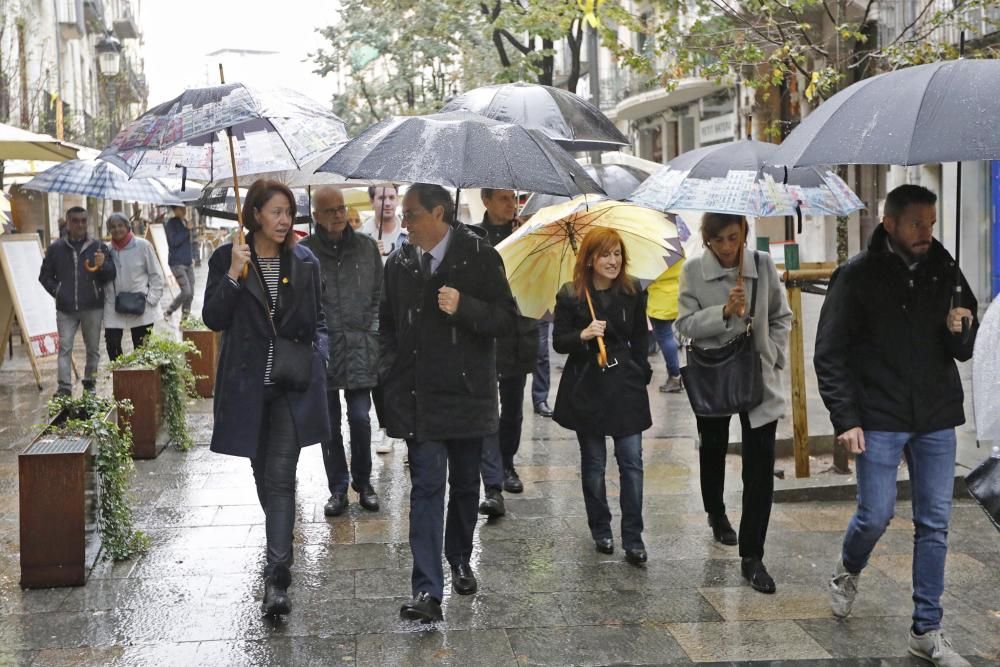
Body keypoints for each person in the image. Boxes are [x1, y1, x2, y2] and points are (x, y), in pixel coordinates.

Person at [816, 185, 977, 667]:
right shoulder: (856, 276)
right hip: (879, 414)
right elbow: (830, 353)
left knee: (935, 525)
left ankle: (926, 631)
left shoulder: (945, 268)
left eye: (931, 223)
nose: (927, 232)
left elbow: (963, 347)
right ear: (890, 224)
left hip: (934, 413)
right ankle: (849, 567)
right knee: (876, 514)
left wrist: (961, 327)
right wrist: (846, 418)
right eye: (916, 224)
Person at [379, 183, 516, 623]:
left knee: (463, 486)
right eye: (404, 216)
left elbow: (507, 320)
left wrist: (465, 306)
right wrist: (388, 379)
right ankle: (426, 589)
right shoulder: (399, 263)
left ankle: (458, 555)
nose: (406, 224)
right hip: (419, 396)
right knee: (425, 487)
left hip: (467, 393)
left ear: (439, 214)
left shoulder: (479, 257)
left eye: (412, 215)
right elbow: (387, 326)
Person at [202, 179, 330, 617]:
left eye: (288, 212)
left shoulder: (306, 261)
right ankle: (280, 539)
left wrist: (317, 358)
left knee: (279, 477)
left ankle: (278, 579)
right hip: (248, 387)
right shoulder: (228, 256)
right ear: (255, 213)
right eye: (275, 212)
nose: (284, 220)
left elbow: (321, 320)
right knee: (264, 476)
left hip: (291, 386)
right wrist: (235, 276)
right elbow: (213, 318)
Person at [675, 212, 791, 594]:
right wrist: (723, 312)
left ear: (744, 232)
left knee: (759, 467)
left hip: (759, 375)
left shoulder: (762, 264)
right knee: (714, 446)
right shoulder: (693, 271)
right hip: (716, 373)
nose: (727, 247)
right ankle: (716, 511)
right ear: (707, 241)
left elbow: (781, 316)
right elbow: (685, 325)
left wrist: (771, 353)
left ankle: (752, 555)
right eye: (718, 240)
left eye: (733, 237)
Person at [552, 227, 653, 566]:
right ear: (591, 259)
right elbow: (558, 341)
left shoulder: (633, 290)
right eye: (605, 254)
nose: (613, 261)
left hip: (625, 386)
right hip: (588, 387)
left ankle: (634, 537)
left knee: (632, 462)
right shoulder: (571, 295)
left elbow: (641, 338)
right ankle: (601, 528)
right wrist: (583, 334)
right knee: (594, 464)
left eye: (617, 253)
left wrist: (641, 373)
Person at [301, 186, 383, 517]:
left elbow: (380, 294)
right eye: (330, 210)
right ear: (316, 216)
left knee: (361, 418)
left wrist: (373, 330)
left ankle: (363, 482)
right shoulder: (304, 253)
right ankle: (337, 487)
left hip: (362, 346)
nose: (338, 214)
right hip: (324, 351)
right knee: (329, 425)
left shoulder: (366, 247)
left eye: (341, 208)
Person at [474, 188, 539, 517]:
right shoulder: (474, 237)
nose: (511, 204)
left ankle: (508, 462)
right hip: (488, 334)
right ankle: (492, 482)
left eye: (513, 198)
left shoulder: (526, 234)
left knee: (513, 409)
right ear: (486, 201)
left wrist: (524, 246)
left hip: (519, 332)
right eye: (503, 199)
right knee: (489, 409)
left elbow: (537, 280)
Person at [38, 206, 116, 396]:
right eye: (75, 221)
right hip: (66, 308)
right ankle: (64, 387)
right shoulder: (56, 248)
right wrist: (58, 291)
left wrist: (102, 265)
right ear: (68, 222)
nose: (80, 224)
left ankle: (90, 384)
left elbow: (110, 274)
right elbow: (44, 276)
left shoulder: (98, 247)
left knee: (93, 349)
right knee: (64, 347)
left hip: (92, 306)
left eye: (83, 220)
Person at [103, 213, 163, 360]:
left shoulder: (143, 245)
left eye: (120, 226)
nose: (117, 230)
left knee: (141, 350)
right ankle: (121, 381)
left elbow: (156, 275)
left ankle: (139, 381)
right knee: (112, 346)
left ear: (127, 227)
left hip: (141, 304)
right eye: (113, 227)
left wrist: (151, 299)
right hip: (114, 306)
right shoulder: (106, 250)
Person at [647, 259, 685, 393]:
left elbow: (647, 275)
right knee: (668, 336)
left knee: (665, 337)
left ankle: (675, 377)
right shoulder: (674, 248)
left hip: (660, 299)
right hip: (675, 296)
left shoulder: (655, 254)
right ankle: (673, 376)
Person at [164, 205, 195, 321]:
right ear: (175, 210)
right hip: (177, 263)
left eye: (185, 208)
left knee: (191, 294)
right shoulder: (171, 224)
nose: (184, 210)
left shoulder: (185, 221)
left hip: (188, 262)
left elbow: (188, 242)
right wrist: (187, 229)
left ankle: (185, 320)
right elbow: (174, 242)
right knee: (186, 291)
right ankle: (169, 310)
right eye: (181, 208)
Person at [361, 183, 407, 258]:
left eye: (391, 197)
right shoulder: (360, 238)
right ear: (372, 201)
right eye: (382, 198)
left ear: (397, 200)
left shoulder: (410, 234)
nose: (387, 203)